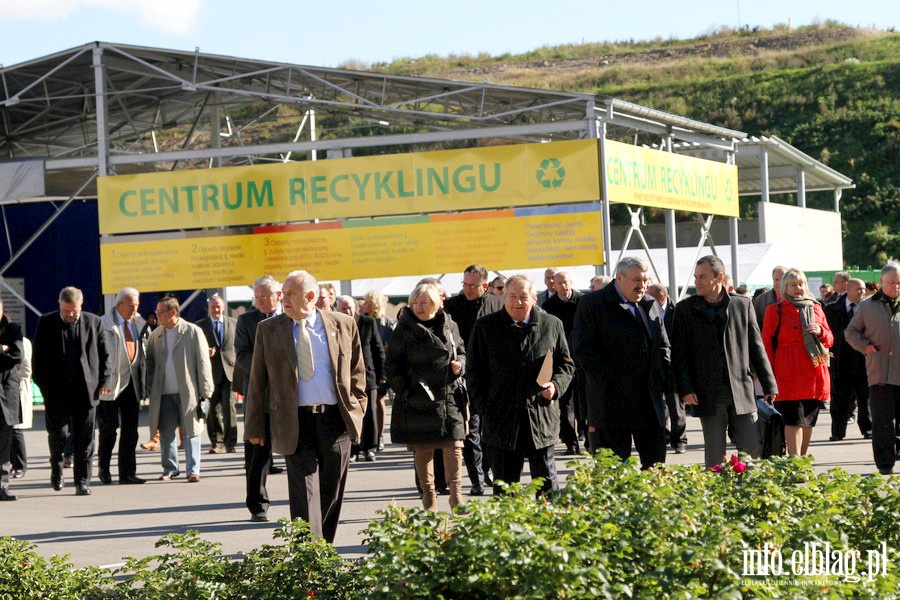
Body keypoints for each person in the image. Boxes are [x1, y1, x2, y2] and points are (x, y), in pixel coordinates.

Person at [245, 270, 367, 543]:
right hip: (294, 422)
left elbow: (358, 371)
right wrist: (254, 426)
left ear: (310, 297)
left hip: (335, 422)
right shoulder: (269, 330)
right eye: (282, 293)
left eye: (289, 294)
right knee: (303, 492)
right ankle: (308, 556)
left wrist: (357, 409)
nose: (282, 298)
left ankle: (323, 548)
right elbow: (257, 383)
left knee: (331, 491)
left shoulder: (343, 324)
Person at [468, 275, 575, 495]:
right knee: (506, 490)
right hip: (501, 419)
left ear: (534, 299)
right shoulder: (485, 327)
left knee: (547, 488)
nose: (518, 302)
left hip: (541, 416)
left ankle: (548, 527)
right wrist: (484, 407)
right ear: (503, 298)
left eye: (523, 297)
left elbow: (566, 365)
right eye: (512, 297)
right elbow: (474, 372)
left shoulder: (551, 324)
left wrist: (555, 387)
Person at [671, 256, 778, 468]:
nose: (697, 281)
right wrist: (685, 388)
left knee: (752, 448)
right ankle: (716, 497)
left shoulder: (742, 304)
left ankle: (749, 492)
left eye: (702, 277)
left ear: (719, 277)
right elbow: (679, 355)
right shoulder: (685, 309)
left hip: (741, 388)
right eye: (695, 276)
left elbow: (756, 346)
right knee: (714, 453)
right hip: (707, 392)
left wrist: (769, 383)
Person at [571, 257, 670, 469]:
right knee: (613, 473)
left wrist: (661, 378)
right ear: (619, 278)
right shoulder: (593, 304)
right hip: (611, 404)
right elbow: (582, 350)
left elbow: (663, 347)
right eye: (636, 280)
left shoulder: (650, 304)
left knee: (656, 470)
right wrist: (610, 379)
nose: (642, 285)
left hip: (649, 403)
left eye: (645, 280)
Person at [386, 282, 467, 510]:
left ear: (436, 303)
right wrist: (405, 391)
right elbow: (392, 365)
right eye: (415, 303)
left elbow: (461, 351)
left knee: (455, 445)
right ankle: (428, 493)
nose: (419, 307)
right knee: (424, 449)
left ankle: (456, 494)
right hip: (418, 397)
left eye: (424, 302)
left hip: (448, 395)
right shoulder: (404, 328)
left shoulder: (450, 325)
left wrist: (460, 365)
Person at [33, 286, 111, 495]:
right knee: (59, 435)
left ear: (81, 306)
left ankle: (82, 481)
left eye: (74, 311)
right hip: (57, 392)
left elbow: (105, 355)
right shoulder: (47, 323)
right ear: (59, 305)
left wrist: (104, 380)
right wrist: (45, 387)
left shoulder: (94, 322)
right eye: (66, 310)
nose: (70, 315)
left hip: (86, 391)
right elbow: (37, 360)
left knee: (85, 439)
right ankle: (57, 470)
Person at [443, 264, 503, 495]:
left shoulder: (497, 304)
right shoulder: (452, 307)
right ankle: (477, 480)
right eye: (464, 284)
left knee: (493, 429)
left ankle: (493, 473)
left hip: (496, 376)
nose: (467, 289)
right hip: (466, 376)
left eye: (473, 285)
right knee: (472, 430)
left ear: (485, 286)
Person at [762, 268, 834, 457]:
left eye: (801, 284)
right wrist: (767, 377)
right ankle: (795, 462)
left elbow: (830, 339)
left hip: (814, 372)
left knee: (808, 422)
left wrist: (820, 331)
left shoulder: (816, 307)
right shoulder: (774, 310)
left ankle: (801, 460)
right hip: (786, 373)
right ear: (785, 287)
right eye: (793, 284)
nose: (798, 288)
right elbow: (766, 345)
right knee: (793, 421)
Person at [145, 296, 215, 482]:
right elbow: (150, 363)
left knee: (191, 430)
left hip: (189, 392)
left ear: (173, 312)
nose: (157, 315)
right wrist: (149, 386)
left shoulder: (193, 332)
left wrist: (205, 390)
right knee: (166, 432)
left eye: (161, 312)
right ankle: (170, 468)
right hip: (163, 392)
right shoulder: (156, 334)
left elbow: (203, 362)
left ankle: (193, 470)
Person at [235, 275, 283, 522]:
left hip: (289, 396)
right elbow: (242, 355)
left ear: (279, 296)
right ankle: (257, 504)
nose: (261, 301)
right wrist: (267, 368)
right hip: (259, 395)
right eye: (257, 297)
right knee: (257, 453)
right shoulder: (246, 321)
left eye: (265, 296)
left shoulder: (291, 317)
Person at [845, 261, 900, 475]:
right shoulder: (867, 306)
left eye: (898, 283)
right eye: (891, 282)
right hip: (880, 372)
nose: (896, 286)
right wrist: (865, 347)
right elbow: (850, 332)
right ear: (881, 282)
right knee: (882, 423)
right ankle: (885, 463)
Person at [98, 287, 146, 485]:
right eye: (131, 305)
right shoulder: (103, 324)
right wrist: (101, 380)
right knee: (109, 430)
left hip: (132, 383)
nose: (135, 308)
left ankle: (127, 473)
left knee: (131, 431)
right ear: (119, 305)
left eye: (137, 304)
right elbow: (97, 355)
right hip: (110, 384)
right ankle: (104, 469)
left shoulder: (138, 323)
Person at [336, 295, 384, 463]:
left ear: (356, 308)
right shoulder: (336, 324)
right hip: (346, 378)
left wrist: (381, 374)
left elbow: (377, 349)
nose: (347, 311)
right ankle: (354, 448)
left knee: (370, 413)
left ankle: (370, 448)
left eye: (349, 307)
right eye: (343, 308)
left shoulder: (367, 323)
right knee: (352, 414)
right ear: (338, 309)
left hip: (368, 376)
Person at [824, 278, 872, 441]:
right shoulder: (832, 309)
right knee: (839, 398)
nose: (863, 292)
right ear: (848, 289)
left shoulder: (869, 308)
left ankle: (868, 428)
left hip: (863, 360)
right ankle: (838, 431)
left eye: (864, 289)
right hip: (840, 360)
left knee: (866, 398)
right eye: (859, 289)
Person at [542, 271, 584, 454]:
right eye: (559, 283)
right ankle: (571, 444)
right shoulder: (548, 306)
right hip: (560, 360)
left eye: (565, 282)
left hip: (581, 358)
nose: (563, 286)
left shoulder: (582, 301)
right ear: (554, 285)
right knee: (564, 403)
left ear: (571, 282)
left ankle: (589, 440)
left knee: (584, 403)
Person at [647, 282, 687, 454]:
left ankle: (680, 440)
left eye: (650, 295)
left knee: (676, 406)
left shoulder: (677, 311)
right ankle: (664, 436)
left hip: (673, 365)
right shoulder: (646, 308)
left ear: (661, 296)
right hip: (655, 367)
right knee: (658, 406)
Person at [196, 294, 238, 454]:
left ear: (223, 306)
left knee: (229, 408)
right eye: (213, 307)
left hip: (229, 372)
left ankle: (230, 442)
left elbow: (238, 347)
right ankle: (216, 442)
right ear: (209, 308)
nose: (216, 310)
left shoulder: (233, 323)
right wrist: (205, 353)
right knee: (213, 410)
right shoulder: (200, 326)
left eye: (218, 306)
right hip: (210, 374)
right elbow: (196, 350)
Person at [361, 290, 394, 452]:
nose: (363, 304)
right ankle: (366, 438)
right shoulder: (361, 321)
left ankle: (379, 436)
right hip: (367, 369)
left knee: (378, 401)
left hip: (382, 368)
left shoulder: (386, 324)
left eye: (366, 301)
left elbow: (391, 346)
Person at [0, 298, 23, 501]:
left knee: (4, 441)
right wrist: (2, 349)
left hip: (6, 394)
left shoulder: (13, 328)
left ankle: (2, 486)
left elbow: (17, 356)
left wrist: (7, 350)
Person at [11, 336, 32, 479]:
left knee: (15, 428)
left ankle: (20, 465)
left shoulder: (21, 341)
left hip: (15, 389)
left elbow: (26, 370)